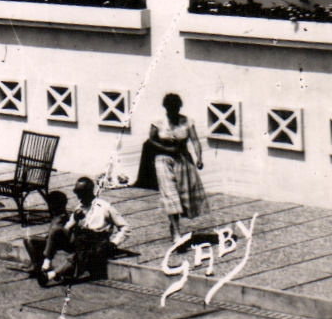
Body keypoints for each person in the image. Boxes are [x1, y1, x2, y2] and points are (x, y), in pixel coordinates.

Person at [135, 92, 206, 242]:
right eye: (170, 108)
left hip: (183, 160)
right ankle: (176, 232)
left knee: (182, 195)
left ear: (179, 107)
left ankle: (174, 225)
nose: (173, 110)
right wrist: (167, 149)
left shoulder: (187, 121)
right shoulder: (158, 122)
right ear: (166, 108)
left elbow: (195, 140)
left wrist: (199, 158)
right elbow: (151, 141)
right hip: (163, 160)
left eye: (176, 108)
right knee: (170, 194)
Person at [37, 177, 128, 285]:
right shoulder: (79, 207)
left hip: (96, 240)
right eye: (76, 192)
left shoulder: (104, 207)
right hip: (79, 238)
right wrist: (75, 219)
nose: (78, 196)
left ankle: (51, 275)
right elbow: (67, 227)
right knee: (56, 230)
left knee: (78, 256)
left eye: (81, 192)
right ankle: (46, 264)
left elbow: (125, 228)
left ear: (89, 191)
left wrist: (114, 243)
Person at [24, 189, 71, 278]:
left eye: (51, 204)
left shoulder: (62, 217)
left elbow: (56, 233)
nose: (50, 207)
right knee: (28, 239)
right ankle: (36, 263)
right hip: (52, 241)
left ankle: (37, 265)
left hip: (56, 243)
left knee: (29, 240)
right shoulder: (57, 215)